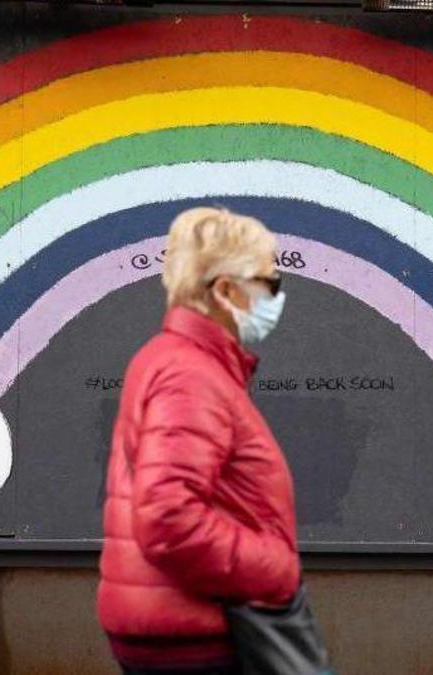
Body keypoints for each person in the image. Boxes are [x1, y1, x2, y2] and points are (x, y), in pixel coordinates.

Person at [97, 205, 302, 675]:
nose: (277, 296)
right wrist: (277, 571)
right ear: (227, 290)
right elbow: (169, 518)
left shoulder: (174, 360)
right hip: (196, 637)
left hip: (179, 622)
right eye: (271, 283)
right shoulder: (189, 375)